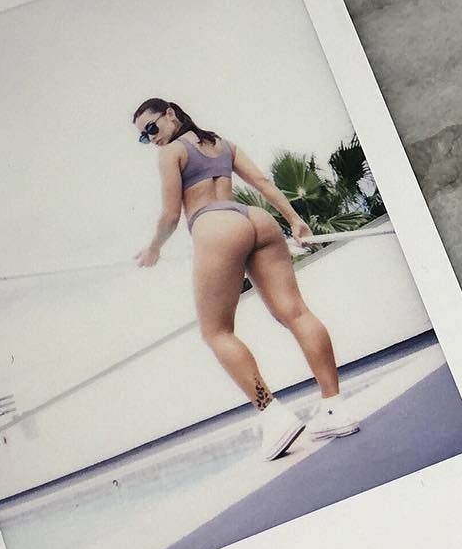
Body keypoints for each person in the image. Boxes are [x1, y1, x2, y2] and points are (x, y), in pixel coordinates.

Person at [131, 98, 359, 459]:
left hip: (216, 227)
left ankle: (273, 416)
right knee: (296, 312)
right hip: (255, 219)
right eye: (144, 137)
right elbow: (262, 181)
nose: (151, 139)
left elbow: (171, 215)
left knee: (216, 332)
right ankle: (334, 407)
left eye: (151, 128)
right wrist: (294, 220)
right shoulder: (222, 144)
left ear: (170, 115)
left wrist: (153, 249)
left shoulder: (172, 153)